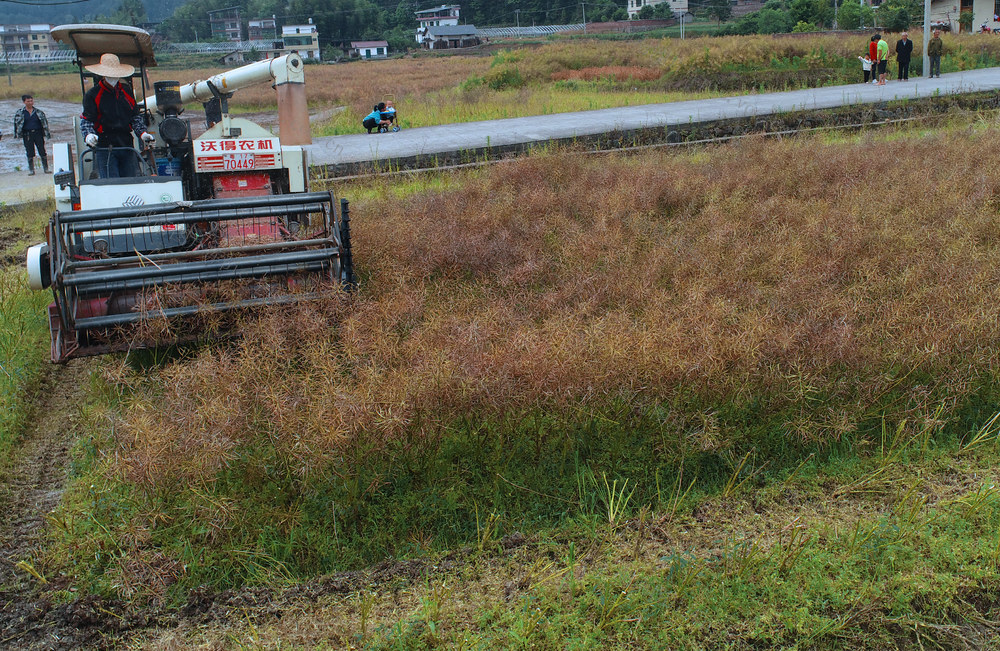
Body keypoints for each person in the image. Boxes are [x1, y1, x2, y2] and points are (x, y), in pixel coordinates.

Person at [79, 53, 155, 178]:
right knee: (111, 184)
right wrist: (88, 135)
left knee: (130, 181)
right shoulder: (93, 95)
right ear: (103, 74)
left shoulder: (126, 91)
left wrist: (143, 133)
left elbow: (135, 117)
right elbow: (87, 120)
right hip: (105, 146)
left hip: (126, 144)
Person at [14, 94, 51, 176]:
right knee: (29, 152)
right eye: (28, 101)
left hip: (38, 133)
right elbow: (16, 124)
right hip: (27, 134)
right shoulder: (20, 113)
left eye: (31, 101)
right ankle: (31, 170)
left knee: (42, 150)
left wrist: (47, 133)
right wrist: (17, 134)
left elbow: (45, 123)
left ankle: (46, 168)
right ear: (24, 102)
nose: (30, 103)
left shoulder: (39, 112)